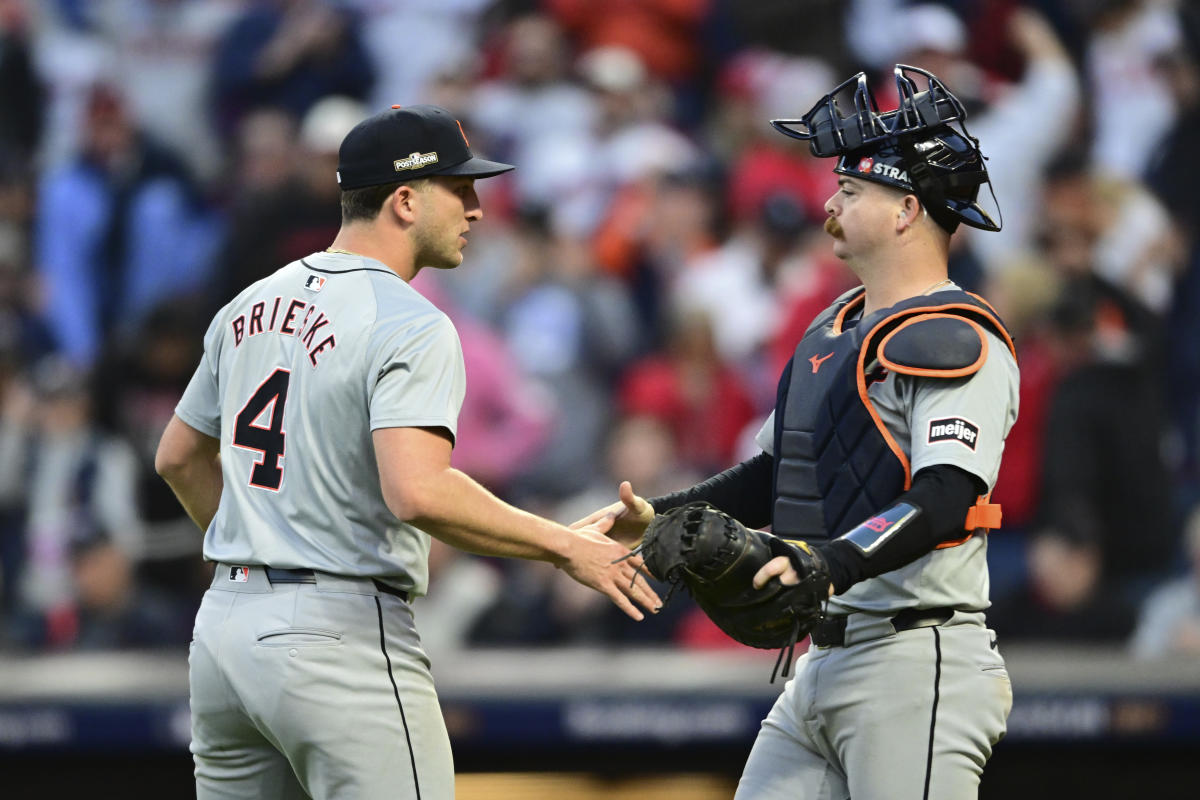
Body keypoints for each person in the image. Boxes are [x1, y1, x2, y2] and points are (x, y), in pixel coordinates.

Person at [154, 104, 660, 800]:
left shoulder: (247, 304)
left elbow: (177, 458)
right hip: (338, 634)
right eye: (460, 188)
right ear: (403, 199)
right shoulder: (410, 322)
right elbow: (417, 491)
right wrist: (561, 546)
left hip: (224, 632)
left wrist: (255, 542)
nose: (478, 209)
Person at [581, 66, 1019, 798]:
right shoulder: (834, 326)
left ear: (908, 209)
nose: (830, 204)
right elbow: (780, 474)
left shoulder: (953, 335)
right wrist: (667, 515)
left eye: (852, 191)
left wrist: (830, 562)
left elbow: (946, 495)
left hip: (916, 655)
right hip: (822, 656)